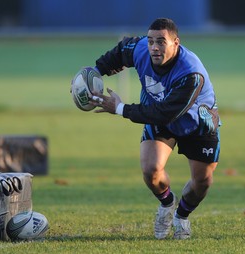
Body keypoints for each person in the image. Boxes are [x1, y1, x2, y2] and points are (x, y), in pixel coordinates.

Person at [89, 18, 221, 240]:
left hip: (197, 121)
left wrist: (119, 108)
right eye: (151, 41)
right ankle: (167, 205)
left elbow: (165, 113)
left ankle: (181, 216)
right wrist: (94, 72)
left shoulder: (190, 73)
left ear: (176, 43)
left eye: (161, 42)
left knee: (203, 181)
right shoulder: (142, 49)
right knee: (151, 170)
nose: (154, 47)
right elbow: (122, 51)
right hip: (159, 115)